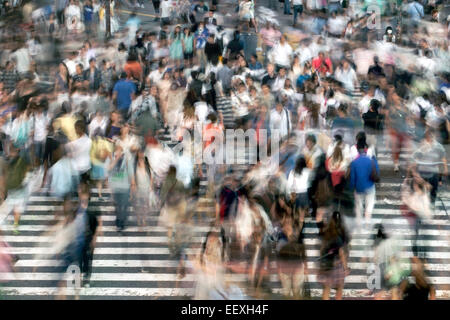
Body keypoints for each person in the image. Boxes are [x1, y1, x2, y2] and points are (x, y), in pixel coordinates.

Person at [317, 211, 350, 300]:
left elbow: (321, 250)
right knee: (339, 288)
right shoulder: (338, 236)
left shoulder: (326, 233)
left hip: (326, 265)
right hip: (336, 265)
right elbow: (341, 253)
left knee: (326, 289)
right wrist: (345, 268)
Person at [349, 139, 380, 230]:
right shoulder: (370, 161)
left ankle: (359, 224)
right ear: (365, 149)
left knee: (358, 206)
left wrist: (351, 188)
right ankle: (367, 223)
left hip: (358, 188)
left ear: (357, 150)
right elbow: (376, 173)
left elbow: (352, 178)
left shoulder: (354, 163)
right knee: (369, 205)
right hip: (370, 187)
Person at [411, 129, 447, 205]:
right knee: (421, 189)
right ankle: (421, 203)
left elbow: (443, 158)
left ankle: (432, 203)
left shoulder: (439, 146)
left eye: (431, 136)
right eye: (428, 136)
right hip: (422, 170)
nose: (430, 138)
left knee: (433, 189)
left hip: (434, 171)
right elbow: (415, 157)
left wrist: (445, 169)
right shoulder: (422, 146)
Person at [108, 144, 136, 232]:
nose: (118, 152)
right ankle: (119, 220)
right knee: (117, 207)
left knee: (123, 206)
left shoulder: (127, 160)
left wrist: (133, 184)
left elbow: (131, 173)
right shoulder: (112, 159)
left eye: (119, 151)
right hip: (115, 188)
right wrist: (116, 159)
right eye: (116, 151)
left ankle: (121, 223)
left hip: (125, 188)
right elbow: (109, 169)